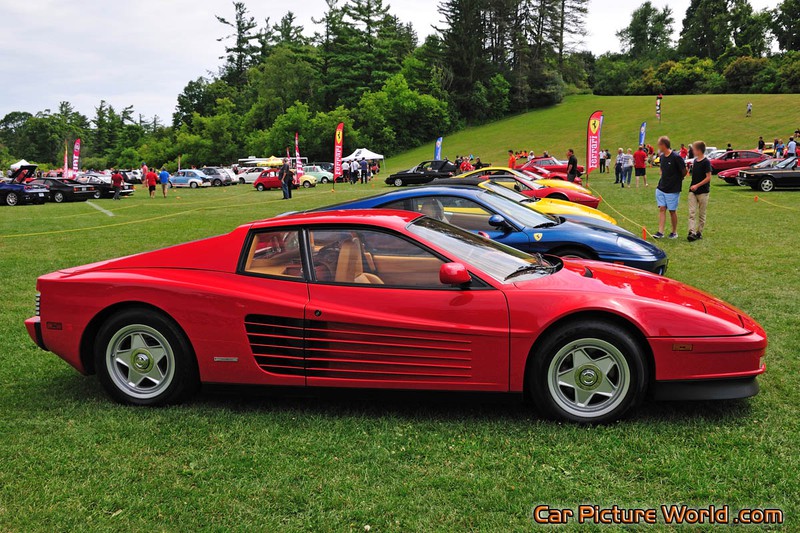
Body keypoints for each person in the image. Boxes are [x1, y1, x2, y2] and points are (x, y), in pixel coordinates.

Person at [653, 136, 687, 240]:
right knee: (662, 209)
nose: (658, 146)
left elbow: (684, 170)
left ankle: (674, 232)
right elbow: (662, 169)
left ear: (663, 145)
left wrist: (678, 179)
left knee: (672, 211)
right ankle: (660, 232)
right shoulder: (662, 157)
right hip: (661, 188)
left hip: (673, 189)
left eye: (659, 144)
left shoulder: (676, 157)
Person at [687, 140, 712, 242]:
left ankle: (699, 232)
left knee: (701, 214)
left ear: (699, 150)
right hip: (692, 191)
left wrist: (697, 185)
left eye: (693, 149)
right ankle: (691, 232)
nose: (692, 151)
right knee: (691, 212)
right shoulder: (695, 161)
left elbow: (708, 177)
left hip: (703, 192)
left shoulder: (706, 162)